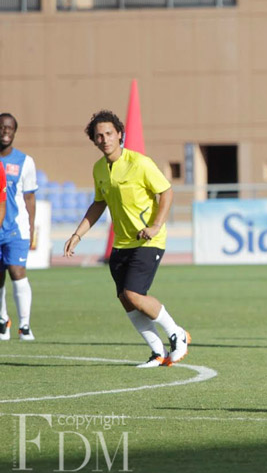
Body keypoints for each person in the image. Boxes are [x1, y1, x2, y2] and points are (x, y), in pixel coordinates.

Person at [63, 110, 190, 368]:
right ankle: (157, 352)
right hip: (121, 243)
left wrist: (156, 226)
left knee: (133, 294)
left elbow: (166, 192)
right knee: (125, 298)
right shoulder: (99, 168)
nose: (105, 139)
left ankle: (177, 334)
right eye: (99, 136)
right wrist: (78, 234)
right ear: (94, 140)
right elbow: (99, 203)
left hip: (147, 241)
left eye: (109, 133)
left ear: (120, 134)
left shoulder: (140, 163)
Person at [0, 113, 37, 341]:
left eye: (10, 128)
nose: (5, 131)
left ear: (15, 131)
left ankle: (24, 325)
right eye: (2, 127)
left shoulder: (25, 161)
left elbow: (29, 198)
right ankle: (2, 321)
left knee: (17, 271)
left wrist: (32, 227)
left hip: (16, 228)